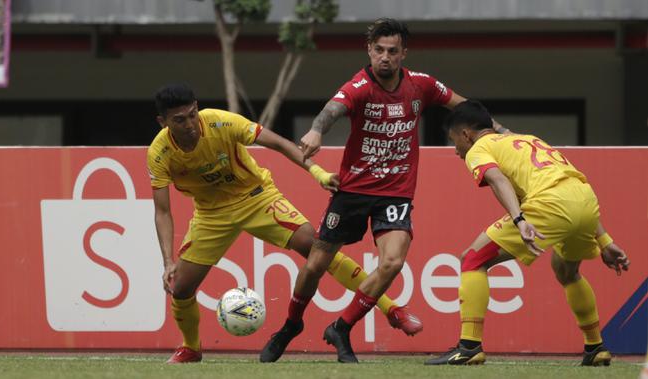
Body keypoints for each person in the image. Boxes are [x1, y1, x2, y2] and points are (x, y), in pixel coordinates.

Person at [260, 18, 501, 363]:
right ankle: (290, 325)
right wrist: (316, 131)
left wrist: (498, 130)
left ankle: (341, 327)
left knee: (392, 262)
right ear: (369, 51)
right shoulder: (359, 86)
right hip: (353, 190)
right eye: (379, 50)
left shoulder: (422, 85)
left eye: (392, 51)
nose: (385, 57)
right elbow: (332, 110)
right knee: (315, 265)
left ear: (404, 53)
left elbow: (464, 108)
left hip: (395, 193)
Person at [147, 83, 422, 364]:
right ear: (163, 122)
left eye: (192, 114)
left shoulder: (221, 122)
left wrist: (318, 173)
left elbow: (278, 143)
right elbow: (162, 211)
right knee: (180, 287)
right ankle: (191, 348)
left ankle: (392, 309)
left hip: (257, 199)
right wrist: (168, 260)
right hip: (211, 215)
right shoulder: (159, 153)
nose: (190, 124)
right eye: (179, 120)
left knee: (317, 249)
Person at [425, 100, 630, 366]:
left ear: (466, 134)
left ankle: (468, 346)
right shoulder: (528, 139)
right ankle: (595, 347)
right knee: (566, 270)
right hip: (586, 201)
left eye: (454, 142)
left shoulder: (480, 147)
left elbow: (497, 179)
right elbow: (571, 187)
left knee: (472, 258)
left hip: (550, 204)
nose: (456, 151)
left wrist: (519, 219)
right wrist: (604, 240)